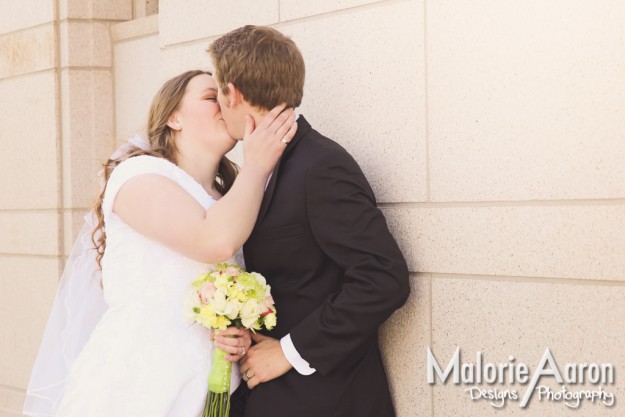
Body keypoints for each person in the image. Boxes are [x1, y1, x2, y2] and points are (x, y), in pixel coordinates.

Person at [23, 69, 298, 417]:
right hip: (135, 386)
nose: (226, 105)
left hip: (204, 389)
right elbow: (213, 242)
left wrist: (236, 334)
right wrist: (258, 165)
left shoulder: (231, 196)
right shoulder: (137, 176)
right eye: (212, 97)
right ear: (174, 117)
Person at [208, 26, 410, 417]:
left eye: (217, 91)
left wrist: (288, 351)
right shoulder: (251, 171)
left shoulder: (321, 166)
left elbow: (384, 278)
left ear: (234, 93)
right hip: (268, 394)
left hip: (327, 397)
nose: (217, 104)